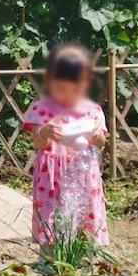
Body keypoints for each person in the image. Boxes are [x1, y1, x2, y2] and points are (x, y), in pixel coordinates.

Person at [22, 44, 110, 247]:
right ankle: (50, 259)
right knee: (51, 216)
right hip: (51, 176)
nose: (68, 95)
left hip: (83, 171)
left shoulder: (92, 110)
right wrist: (44, 131)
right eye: (61, 89)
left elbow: (101, 141)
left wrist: (97, 137)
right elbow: (39, 142)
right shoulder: (42, 109)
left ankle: (84, 256)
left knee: (84, 213)